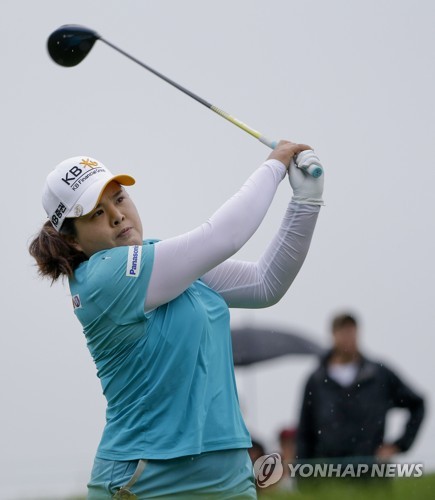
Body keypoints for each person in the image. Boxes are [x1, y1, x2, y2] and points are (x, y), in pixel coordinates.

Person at [29, 141, 324, 499]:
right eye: (96, 213)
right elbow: (223, 236)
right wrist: (274, 166)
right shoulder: (103, 278)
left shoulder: (161, 260)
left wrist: (306, 201)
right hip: (146, 479)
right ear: (72, 240)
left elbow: (265, 284)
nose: (117, 215)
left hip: (228, 475)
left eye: (119, 199)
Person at [296, 312, 425, 472]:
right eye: (343, 331)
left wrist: (398, 445)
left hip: (371, 472)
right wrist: (302, 473)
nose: (348, 337)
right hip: (328, 473)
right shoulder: (317, 380)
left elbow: (417, 404)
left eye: (351, 331)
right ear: (333, 335)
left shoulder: (379, 375)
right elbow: (305, 430)